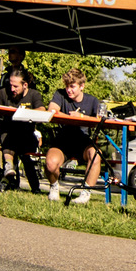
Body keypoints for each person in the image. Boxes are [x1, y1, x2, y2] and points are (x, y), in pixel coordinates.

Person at [45, 69, 102, 204]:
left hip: (83, 143)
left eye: (72, 86)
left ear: (82, 86)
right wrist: (71, 117)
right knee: (50, 164)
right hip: (62, 141)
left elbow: (99, 119)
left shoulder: (92, 100)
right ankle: (54, 187)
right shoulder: (60, 94)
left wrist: (81, 117)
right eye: (67, 86)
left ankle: (86, 192)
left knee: (96, 154)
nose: (68, 90)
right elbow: (52, 110)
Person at [0, 69, 46, 191]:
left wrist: (23, 112)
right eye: (10, 85)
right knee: (8, 135)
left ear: (25, 85)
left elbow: (42, 110)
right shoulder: (3, 93)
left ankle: (10, 174)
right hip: (8, 132)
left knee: (25, 156)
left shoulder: (34, 95)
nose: (12, 89)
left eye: (16, 86)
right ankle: (9, 170)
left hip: (27, 135)